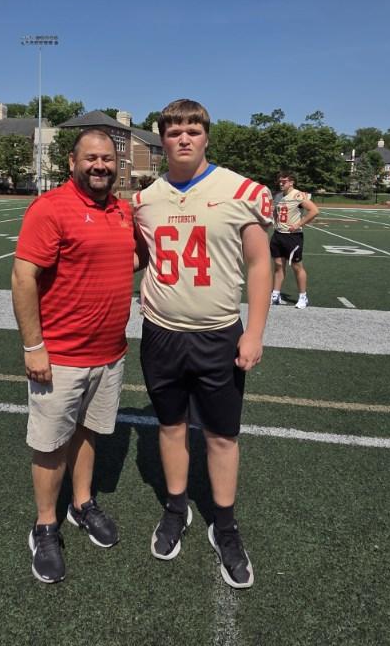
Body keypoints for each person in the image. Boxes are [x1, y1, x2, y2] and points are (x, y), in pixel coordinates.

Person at [133, 99, 273, 589]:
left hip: (218, 333)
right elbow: (138, 259)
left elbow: (259, 265)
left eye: (193, 130)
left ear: (207, 135)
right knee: (170, 427)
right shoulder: (145, 198)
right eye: (174, 132)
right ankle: (176, 509)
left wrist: (253, 331)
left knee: (221, 435)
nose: (184, 139)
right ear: (162, 138)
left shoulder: (240, 190)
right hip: (161, 332)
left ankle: (226, 525)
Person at [11, 128, 136, 584]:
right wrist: (33, 345)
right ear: (72, 162)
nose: (100, 165)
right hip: (60, 354)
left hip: (109, 352)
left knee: (89, 432)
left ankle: (82, 503)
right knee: (48, 443)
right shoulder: (50, 208)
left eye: (107, 159)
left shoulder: (123, 210)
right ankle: (46, 525)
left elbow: (132, 258)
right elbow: (23, 277)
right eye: (91, 158)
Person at [270, 171, 319, 309]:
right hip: (278, 234)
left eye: (284, 181)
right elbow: (276, 211)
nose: (281, 183)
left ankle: (303, 296)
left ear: (291, 182)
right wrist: (275, 221)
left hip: (293, 236)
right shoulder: (278, 196)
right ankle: (276, 295)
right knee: (278, 265)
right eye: (279, 181)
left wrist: (298, 224)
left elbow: (314, 210)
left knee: (297, 267)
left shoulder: (297, 195)